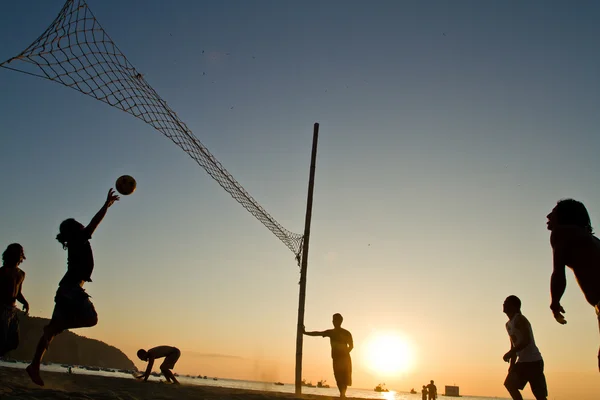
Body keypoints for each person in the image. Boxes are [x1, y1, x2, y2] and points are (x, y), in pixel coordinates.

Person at [26, 189, 119, 386]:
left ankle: (34, 365)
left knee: (50, 332)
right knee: (91, 319)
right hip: (71, 289)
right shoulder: (79, 238)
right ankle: (56, 328)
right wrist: (106, 205)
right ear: (75, 230)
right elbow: (94, 223)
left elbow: (91, 225)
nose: (82, 224)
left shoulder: (78, 240)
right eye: (79, 224)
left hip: (66, 289)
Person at [547, 199, 600, 371]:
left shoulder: (561, 233)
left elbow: (558, 273)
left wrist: (555, 302)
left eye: (553, 213)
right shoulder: (592, 240)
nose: (548, 216)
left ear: (564, 216)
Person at [502, 295, 547, 400]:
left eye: (507, 302)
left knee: (539, 395)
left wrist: (510, 352)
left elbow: (526, 340)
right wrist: (512, 365)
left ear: (514, 306)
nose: (504, 304)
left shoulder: (520, 319)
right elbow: (513, 345)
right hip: (522, 362)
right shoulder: (508, 324)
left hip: (534, 362)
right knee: (509, 384)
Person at [304, 313, 353, 398]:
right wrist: (305, 332)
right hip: (336, 359)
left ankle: (343, 394)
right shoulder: (331, 332)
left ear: (341, 321)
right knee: (337, 377)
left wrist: (344, 353)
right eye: (334, 320)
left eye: (337, 320)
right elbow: (318, 333)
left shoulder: (346, 333)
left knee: (344, 377)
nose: (335, 322)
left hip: (345, 359)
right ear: (332, 321)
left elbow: (351, 346)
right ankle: (342, 394)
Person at [0, 243, 29, 356]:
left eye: (20, 253)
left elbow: (18, 293)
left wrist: (25, 302)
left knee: (13, 342)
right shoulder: (2, 272)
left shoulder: (21, 274)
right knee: (2, 340)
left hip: (12, 310)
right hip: (1, 308)